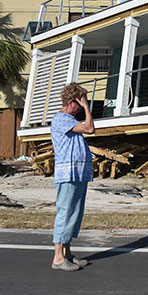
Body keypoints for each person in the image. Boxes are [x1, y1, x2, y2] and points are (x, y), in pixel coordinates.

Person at [50, 82, 95, 271]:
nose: (80, 107)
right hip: (68, 174)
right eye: (79, 102)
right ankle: (58, 258)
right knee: (65, 213)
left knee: (74, 214)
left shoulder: (70, 121)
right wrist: (86, 107)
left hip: (77, 173)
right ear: (71, 102)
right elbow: (90, 128)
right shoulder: (62, 118)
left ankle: (67, 253)